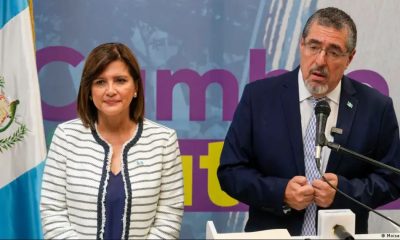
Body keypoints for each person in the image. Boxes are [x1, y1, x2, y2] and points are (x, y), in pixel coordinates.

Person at [217, 7, 400, 236]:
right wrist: (281, 192)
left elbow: (393, 178)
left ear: (350, 58)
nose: (320, 60)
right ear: (301, 45)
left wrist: (344, 192)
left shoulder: (375, 108)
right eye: (314, 47)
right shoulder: (259, 98)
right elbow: (230, 172)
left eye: (334, 52)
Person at [40, 43, 184, 239]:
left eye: (120, 80)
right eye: (100, 82)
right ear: (89, 91)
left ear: (135, 88)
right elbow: (52, 213)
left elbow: (169, 216)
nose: (110, 90)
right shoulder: (65, 136)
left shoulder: (164, 141)